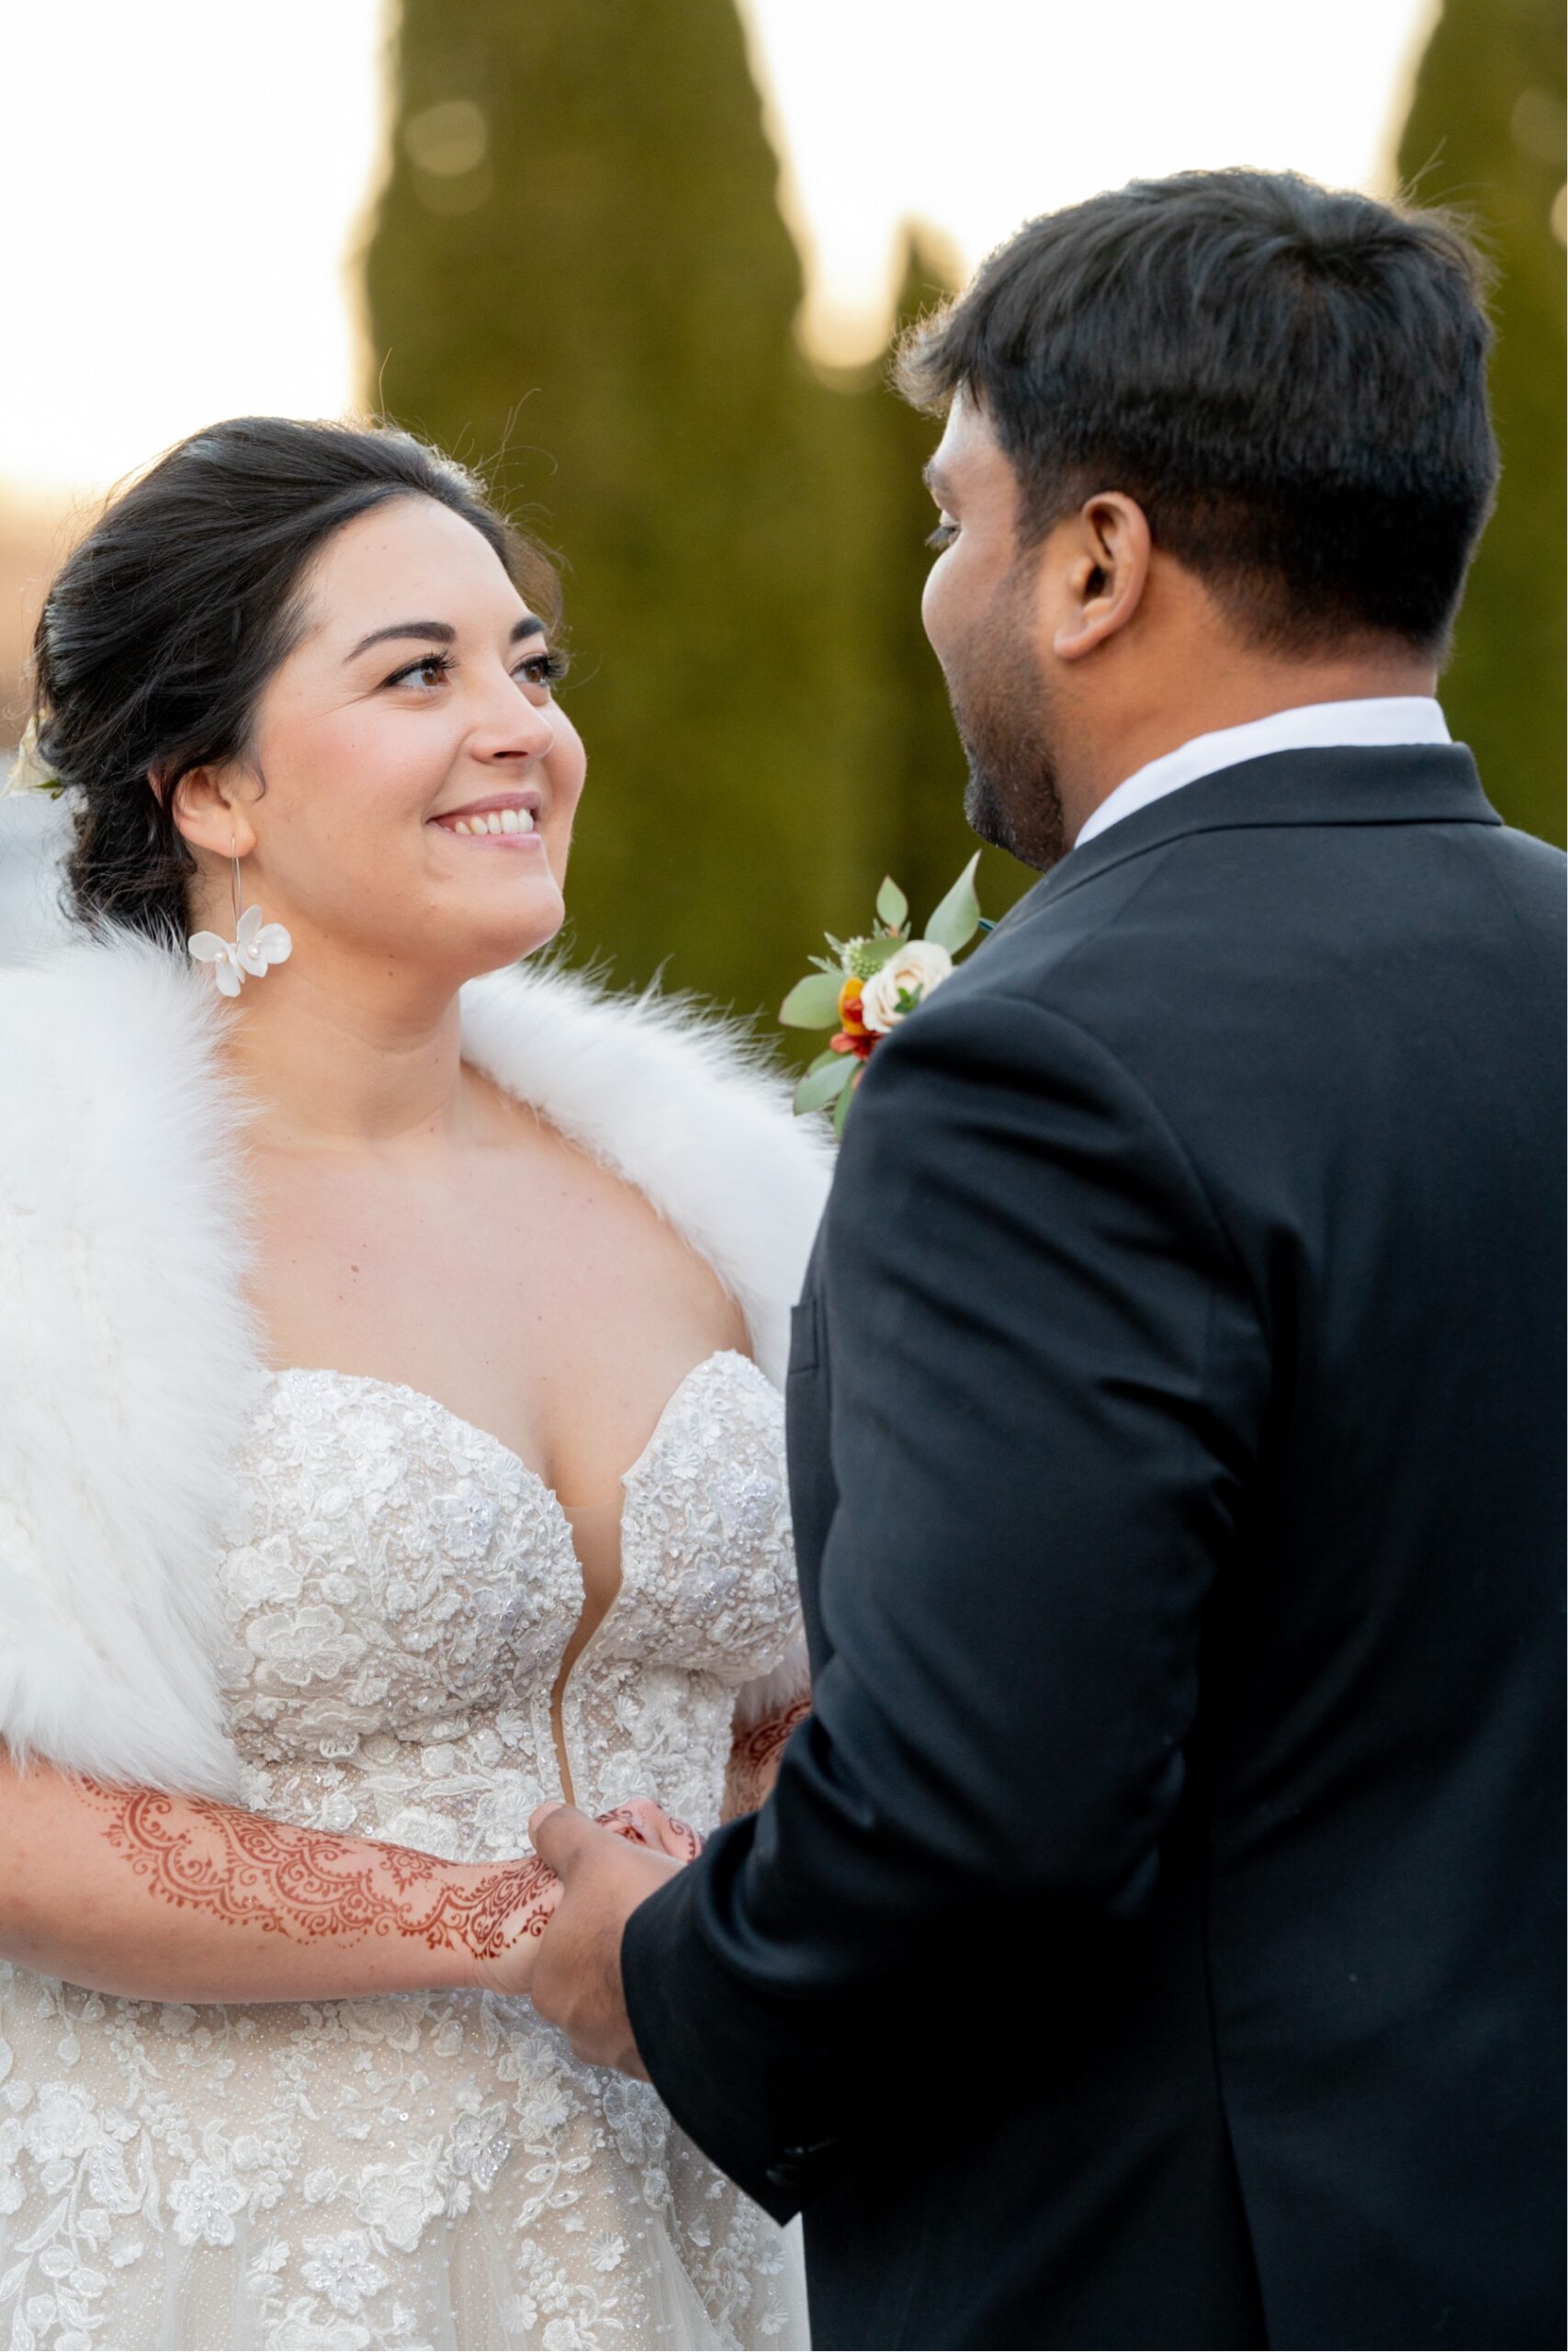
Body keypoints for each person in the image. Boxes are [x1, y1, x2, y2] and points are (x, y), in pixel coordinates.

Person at [526, 169, 1567, 2350]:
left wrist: (663, 1964)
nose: (935, 591)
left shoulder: (1045, 1071)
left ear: (1094, 561)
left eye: (951, 519)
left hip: (1197, 2267)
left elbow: (982, 1815)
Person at [0, 416, 829, 2350]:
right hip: (229, 2239)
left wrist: (747, 1891)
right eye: (417, 673)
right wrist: (521, 1933)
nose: (517, 727)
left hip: (681, 2227)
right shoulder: (54, 1212)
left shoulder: (704, 1207)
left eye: (528, 667)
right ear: (208, 786)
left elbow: (799, 1708)